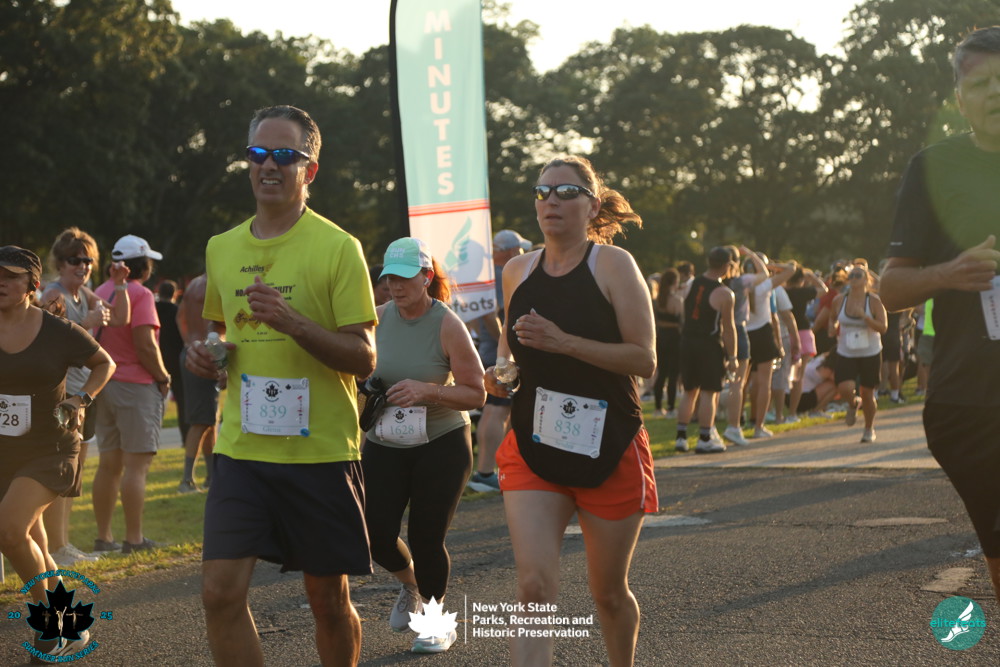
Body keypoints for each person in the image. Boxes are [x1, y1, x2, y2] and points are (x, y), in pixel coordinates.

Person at [185, 104, 377, 666]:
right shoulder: (222, 247)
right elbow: (225, 334)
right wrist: (208, 355)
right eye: (258, 153)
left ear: (309, 169)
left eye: (284, 155)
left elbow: (364, 358)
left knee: (328, 601)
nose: (268, 165)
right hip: (242, 450)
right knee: (219, 594)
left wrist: (294, 323)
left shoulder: (338, 247)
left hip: (318, 453)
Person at [484, 156, 658, 666]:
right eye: (542, 192)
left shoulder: (613, 265)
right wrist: (500, 374)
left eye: (565, 192)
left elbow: (644, 359)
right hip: (534, 443)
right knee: (533, 588)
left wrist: (564, 343)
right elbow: (509, 351)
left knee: (609, 593)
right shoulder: (517, 270)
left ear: (593, 206)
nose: (551, 202)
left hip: (610, 444)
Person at [881, 26, 1000, 607]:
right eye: (981, 83)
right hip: (971, 401)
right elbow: (890, 289)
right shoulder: (933, 168)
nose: (996, 93)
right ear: (959, 98)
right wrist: (949, 273)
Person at [361, 237, 485, 653]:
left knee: (426, 537)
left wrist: (428, 390)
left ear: (427, 277)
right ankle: (411, 583)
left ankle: (435, 623)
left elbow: (476, 393)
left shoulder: (447, 324)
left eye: (405, 277)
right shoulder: (377, 318)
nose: (395, 286)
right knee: (374, 534)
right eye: (389, 278)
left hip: (441, 442)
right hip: (385, 440)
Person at [0, 246, 115, 659]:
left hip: (51, 448)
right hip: (4, 451)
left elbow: (104, 363)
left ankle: (49, 622)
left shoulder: (57, 331)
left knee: (9, 530)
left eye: (10, 276)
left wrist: (81, 399)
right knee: (33, 542)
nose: (0, 282)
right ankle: (68, 627)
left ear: (32, 284)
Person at [39, 227, 130, 567]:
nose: (83, 266)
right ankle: (56, 549)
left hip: (84, 392)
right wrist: (87, 323)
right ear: (60, 263)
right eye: (75, 260)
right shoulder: (54, 294)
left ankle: (63, 544)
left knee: (74, 473)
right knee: (61, 472)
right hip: (62, 394)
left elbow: (120, 318)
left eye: (88, 261)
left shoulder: (84, 294)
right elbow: (48, 344)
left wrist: (120, 284)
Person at [91, 234, 171, 555]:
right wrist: (163, 376)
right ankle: (134, 539)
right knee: (136, 467)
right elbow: (145, 344)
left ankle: (104, 537)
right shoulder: (141, 294)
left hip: (104, 383)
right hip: (135, 385)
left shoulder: (101, 290)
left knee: (108, 465)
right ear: (144, 265)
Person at [467, 229, 526, 492]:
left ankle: (490, 470)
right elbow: (492, 314)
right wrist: (504, 345)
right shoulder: (501, 275)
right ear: (511, 250)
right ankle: (485, 472)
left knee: (497, 409)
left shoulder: (486, 275)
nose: (523, 253)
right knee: (497, 409)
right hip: (497, 355)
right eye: (520, 248)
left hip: (489, 351)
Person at [675, 247, 740, 454]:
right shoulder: (725, 293)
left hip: (687, 341)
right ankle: (704, 438)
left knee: (689, 391)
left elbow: (683, 313)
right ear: (726, 265)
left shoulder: (690, 284)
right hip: (708, 345)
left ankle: (681, 437)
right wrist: (733, 357)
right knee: (708, 393)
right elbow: (729, 328)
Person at [828, 267, 887, 442]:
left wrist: (865, 317)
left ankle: (869, 429)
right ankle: (853, 404)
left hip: (870, 352)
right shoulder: (839, 300)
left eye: (858, 275)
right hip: (846, 351)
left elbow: (883, 327)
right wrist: (833, 327)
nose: (854, 278)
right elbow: (832, 317)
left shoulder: (873, 301)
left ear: (866, 279)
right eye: (851, 275)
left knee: (868, 393)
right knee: (844, 388)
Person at [176, 274, 217, 493]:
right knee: (201, 421)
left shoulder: (194, 285)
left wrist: (188, 342)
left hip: (191, 351)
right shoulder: (213, 284)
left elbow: (180, 316)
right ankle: (187, 480)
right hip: (204, 355)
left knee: (208, 419)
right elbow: (214, 325)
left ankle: (211, 476)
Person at [155, 279, 187, 442]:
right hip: (175, 360)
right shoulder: (178, 311)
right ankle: (185, 436)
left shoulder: (152, 309)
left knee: (154, 401)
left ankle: (153, 438)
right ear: (175, 294)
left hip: (155, 359)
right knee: (182, 400)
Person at [651, 267, 683, 418]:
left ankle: (658, 407)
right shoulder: (677, 300)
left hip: (660, 338)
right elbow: (681, 321)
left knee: (661, 373)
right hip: (674, 339)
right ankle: (671, 407)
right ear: (674, 282)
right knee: (673, 375)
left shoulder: (657, 300)